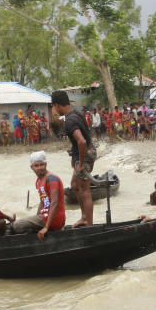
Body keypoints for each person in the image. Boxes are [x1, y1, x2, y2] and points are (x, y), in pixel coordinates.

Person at [52, 90, 96, 228]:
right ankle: (84, 217)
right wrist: (74, 153)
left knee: (84, 189)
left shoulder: (69, 121)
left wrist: (81, 164)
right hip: (84, 152)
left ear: (57, 105)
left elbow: (81, 141)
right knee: (75, 185)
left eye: (53, 107)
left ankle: (88, 224)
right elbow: (81, 139)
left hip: (85, 154)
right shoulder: (76, 113)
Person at [11, 151, 66, 241]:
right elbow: (42, 201)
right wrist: (36, 217)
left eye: (42, 165)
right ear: (31, 167)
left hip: (54, 219)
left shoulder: (52, 179)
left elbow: (55, 203)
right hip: (44, 217)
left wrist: (46, 227)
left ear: (46, 164)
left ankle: (48, 229)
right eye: (36, 166)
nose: (40, 168)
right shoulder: (39, 181)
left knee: (16, 225)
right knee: (21, 224)